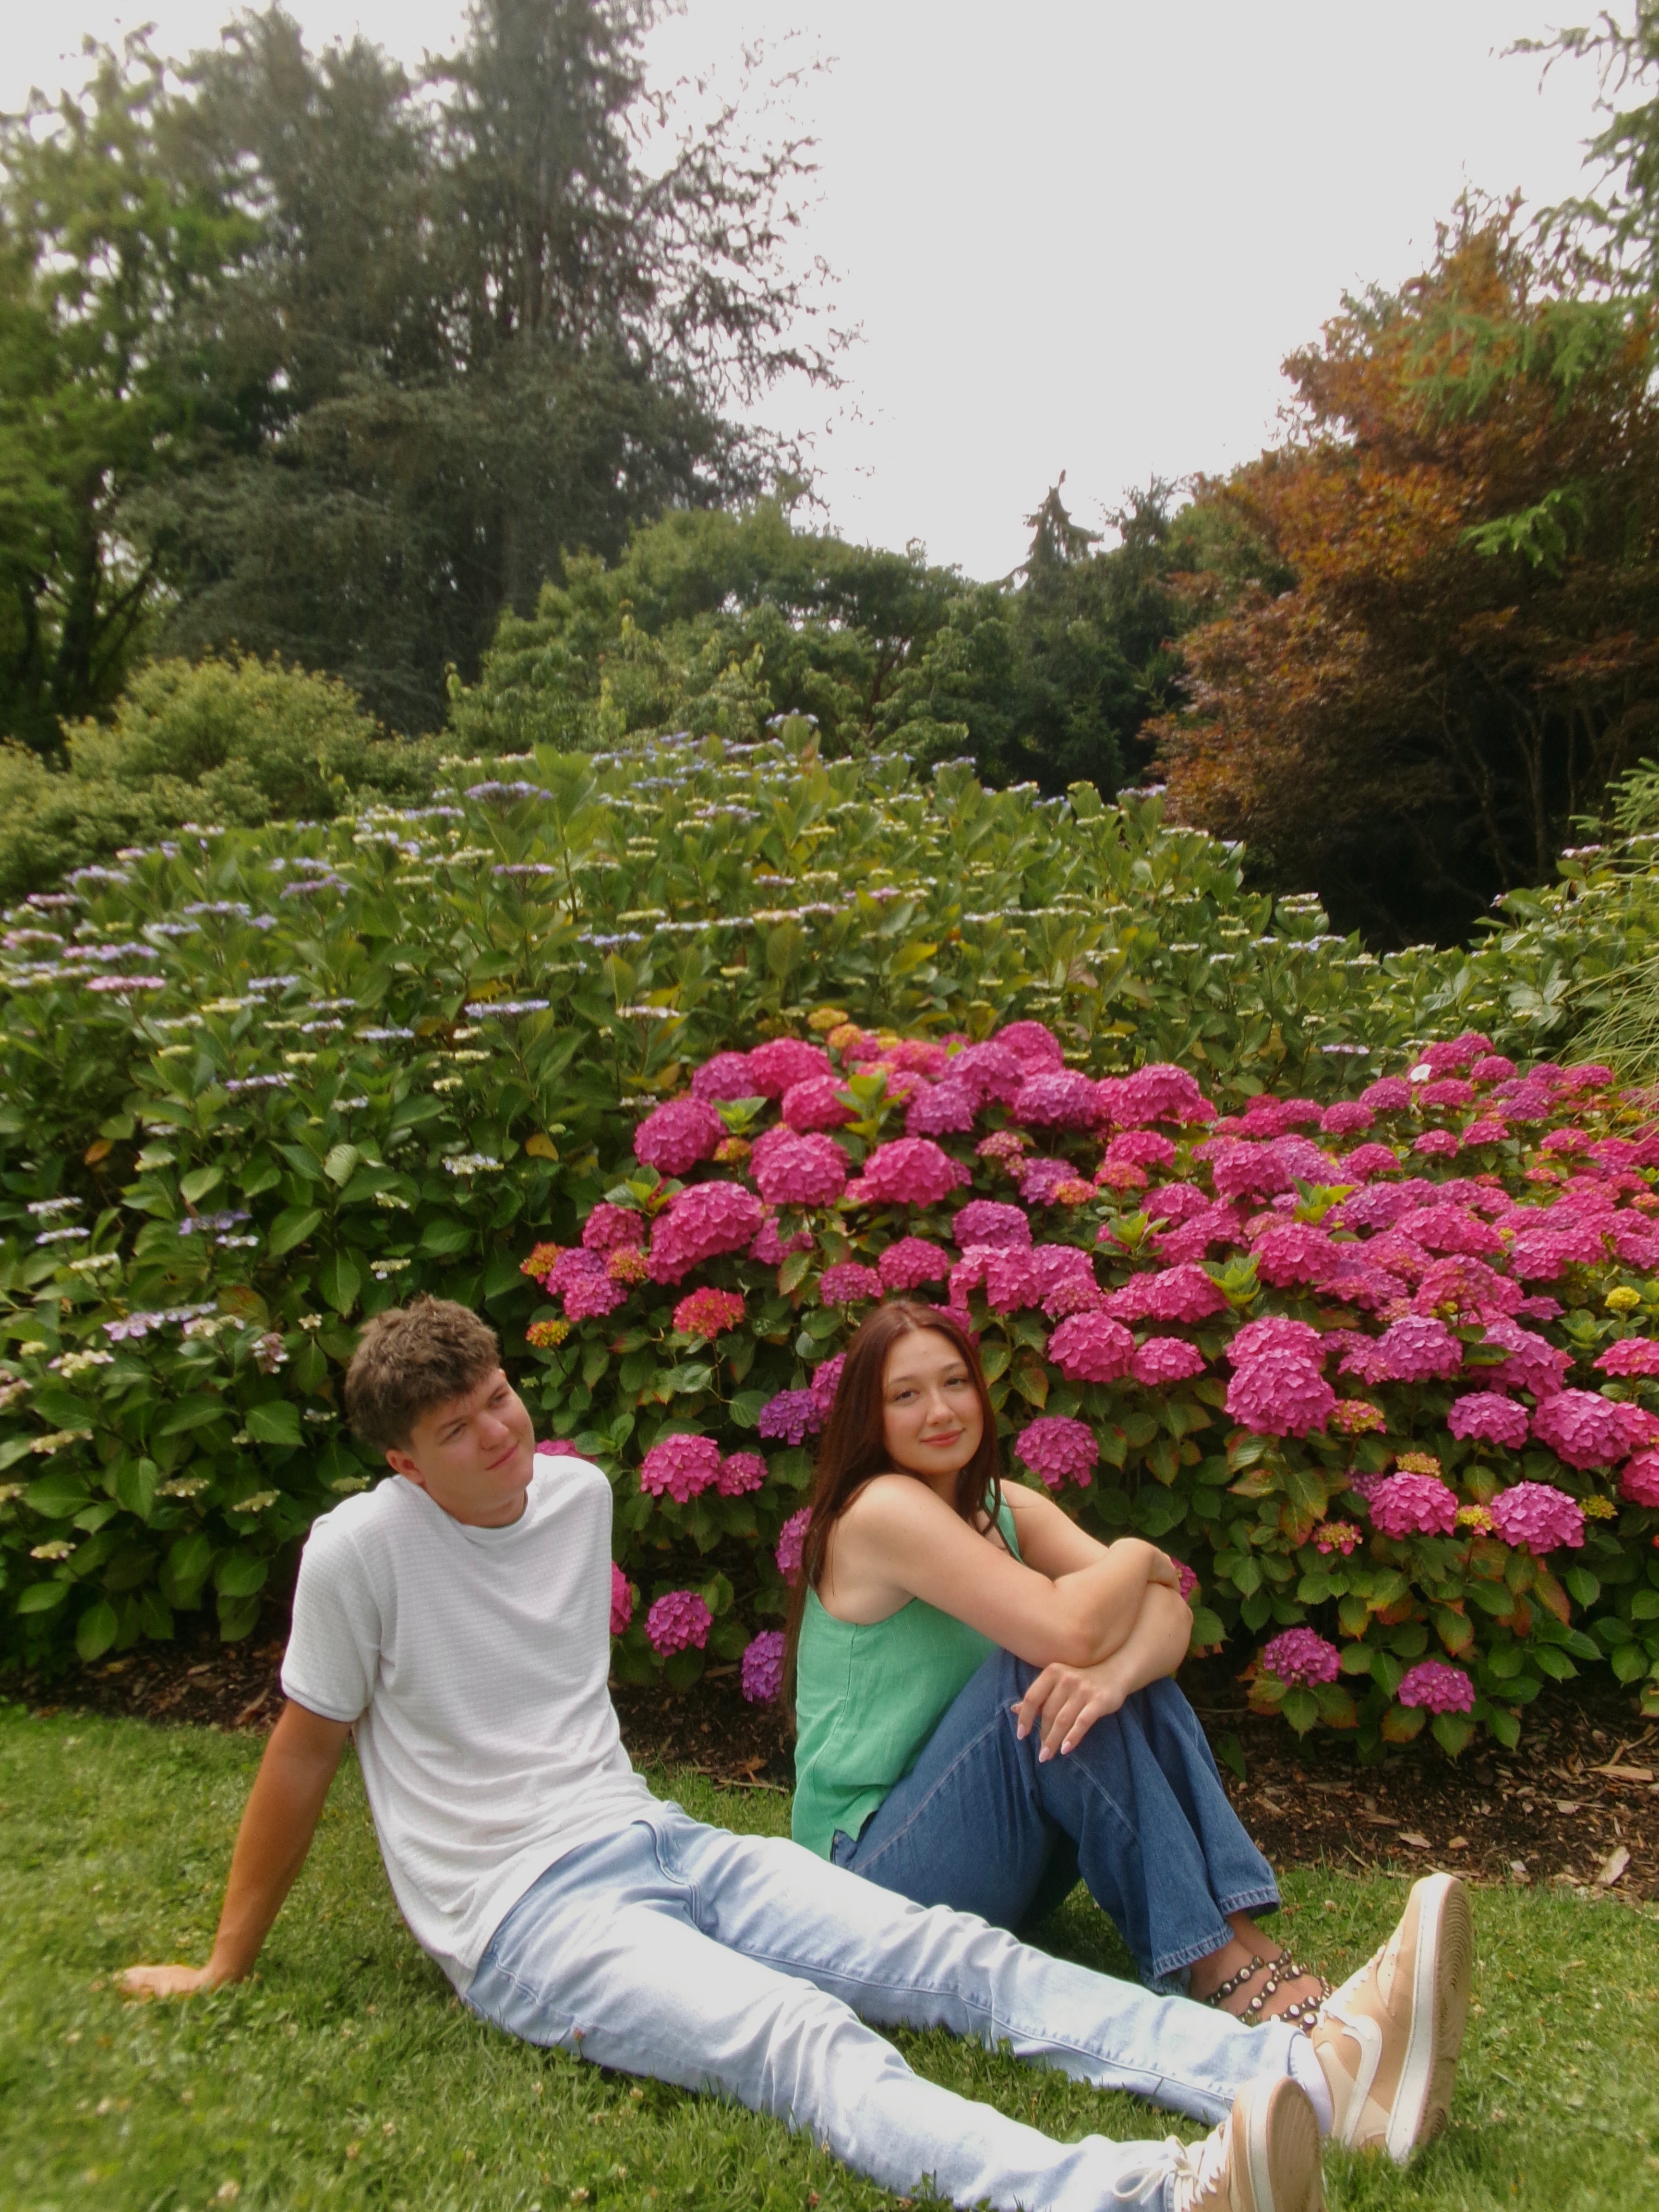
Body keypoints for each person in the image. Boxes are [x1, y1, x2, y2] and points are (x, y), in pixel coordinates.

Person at [120, 1297, 1471, 2212]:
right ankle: (1148, 2192)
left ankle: (1311, 2072)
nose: (502, 1433)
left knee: (965, 1961)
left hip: (659, 1836)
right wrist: (228, 1958)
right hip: (522, 1918)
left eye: (500, 1395)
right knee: (802, 2036)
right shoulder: (363, 1551)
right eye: (457, 1430)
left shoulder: (577, 1493)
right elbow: (304, 1756)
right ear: (405, 1465)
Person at [788, 1302, 1327, 2026]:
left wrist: (1113, 1675)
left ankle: (1232, 1935)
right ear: (869, 1418)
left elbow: (1173, 1617)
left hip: (993, 1855)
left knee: (1103, 1678)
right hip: (868, 1886)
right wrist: (1139, 1556)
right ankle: (1217, 1965)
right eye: (905, 1395)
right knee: (1039, 1675)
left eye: (955, 1383)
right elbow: (1072, 1627)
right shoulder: (882, 1510)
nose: (941, 1411)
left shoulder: (1002, 1506)